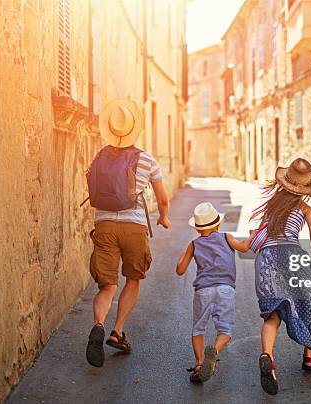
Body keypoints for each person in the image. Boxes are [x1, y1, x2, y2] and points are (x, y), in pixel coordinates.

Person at [85, 99, 171, 368]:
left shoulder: (99, 156)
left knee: (107, 285)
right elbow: (162, 199)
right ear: (135, 129)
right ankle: (117, 330)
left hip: (105, 225)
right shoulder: (146, 159)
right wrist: (165, 218)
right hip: (134, 227)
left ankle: (99, 324)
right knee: (133, 279)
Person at [250, 158, 311, 395]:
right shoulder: (306, 209)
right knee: (308, 304)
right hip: (291, 255)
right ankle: (309, 355)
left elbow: (260, 232)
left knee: (273, 313)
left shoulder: (271, 205)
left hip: (267, 256)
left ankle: (267, 356)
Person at [176, 202, 253, 383]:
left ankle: (199, 363)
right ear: (218, 224)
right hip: (226, 289)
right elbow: (244, 248)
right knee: (225, 330)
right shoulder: (226, 237)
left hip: (203, 290)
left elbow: (180, 270)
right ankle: (215, 351)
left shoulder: (193, 244)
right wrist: (252, 237)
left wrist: (185, 255)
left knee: (198, 329)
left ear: (197, 229)